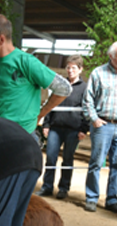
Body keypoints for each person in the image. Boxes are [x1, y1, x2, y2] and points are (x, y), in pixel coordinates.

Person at [0, 14, 72, 139]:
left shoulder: (26, 62)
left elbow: (64, 88)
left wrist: (40, 114)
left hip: (23, 137)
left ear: (1, 40)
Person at [82, 41, 117, 213]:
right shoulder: (98, 73)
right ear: (111, 56)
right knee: (96, 163)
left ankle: (112, 199)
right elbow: (88, 99)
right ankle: (91, 197)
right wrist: (94, 119)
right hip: (103, 125)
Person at [36, 55, 88, 199]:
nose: (70, 70)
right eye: (68, 67)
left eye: (73, 68)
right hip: (55, 129)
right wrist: (46, 124)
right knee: (51, 158)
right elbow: (50, 104)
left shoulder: (84, 88)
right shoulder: (60, 85)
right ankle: (47, 187)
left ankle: (63, 188)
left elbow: (87, 109)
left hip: (73, 130)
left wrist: (84, 129)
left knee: (68, 159)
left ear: (80, 69)